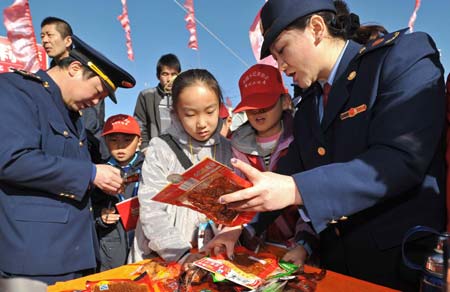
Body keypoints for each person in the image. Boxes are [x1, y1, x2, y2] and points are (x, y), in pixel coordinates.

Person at [207, 0, 446, 290]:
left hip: (398, 266)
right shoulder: (309, 103)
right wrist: (240, 226)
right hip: (334, 267)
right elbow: (287, 172)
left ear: (317, 28)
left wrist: (296, 189)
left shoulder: (401, 56)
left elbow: (401, 158)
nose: (281, 67)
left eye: (282, 50)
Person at [0, 34, 136, 285]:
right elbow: (11, 160)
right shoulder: (16, 90)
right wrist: (91, 173)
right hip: (34, 259)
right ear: (75, 68)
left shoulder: (72, 115)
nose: (96, 102)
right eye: (98, 91)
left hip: (77, 257)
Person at [209, 64, 318, 266]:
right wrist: (232, 230)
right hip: (255, 249)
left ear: (285, 101)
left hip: (302, 249)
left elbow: (314, 197)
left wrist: (304, 244)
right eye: (251, 107)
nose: (258, 111)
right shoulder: (235, 148)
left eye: (265, 104)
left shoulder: (303, 140)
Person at [129, 69, 232, 265]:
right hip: (166, 256)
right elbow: (151, 209)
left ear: (219, 107)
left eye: (210, 111)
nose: (202, 123)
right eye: (190, 114)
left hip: (211, 255)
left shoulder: (228, 149)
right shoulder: (161, 149)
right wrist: (181, 255)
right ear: (175, 113)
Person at [40, 18, 108, 163]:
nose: (45, 40)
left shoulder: (90, 72)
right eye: (42, 36)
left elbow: (94, 120)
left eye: (50, 35)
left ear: (68, 41)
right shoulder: (44, 77)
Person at [92, 114, 144, 271]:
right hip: (112, 250)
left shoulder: (152, 168)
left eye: (127, 140)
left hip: (145, 245)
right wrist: (100, 216)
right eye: (114, 140)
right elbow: (89, 207)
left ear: (139, 141)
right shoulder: (99, 172)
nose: (120, 146)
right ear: (105, 142)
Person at [133, 53, 181, 151]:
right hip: (156, 151)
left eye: (173, 74)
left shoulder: (185, 97)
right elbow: (140, 124)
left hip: (182, 150)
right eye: (165, 74)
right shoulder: (146, 95)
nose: (169, 79)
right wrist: (145, 148)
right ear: (158, 76)